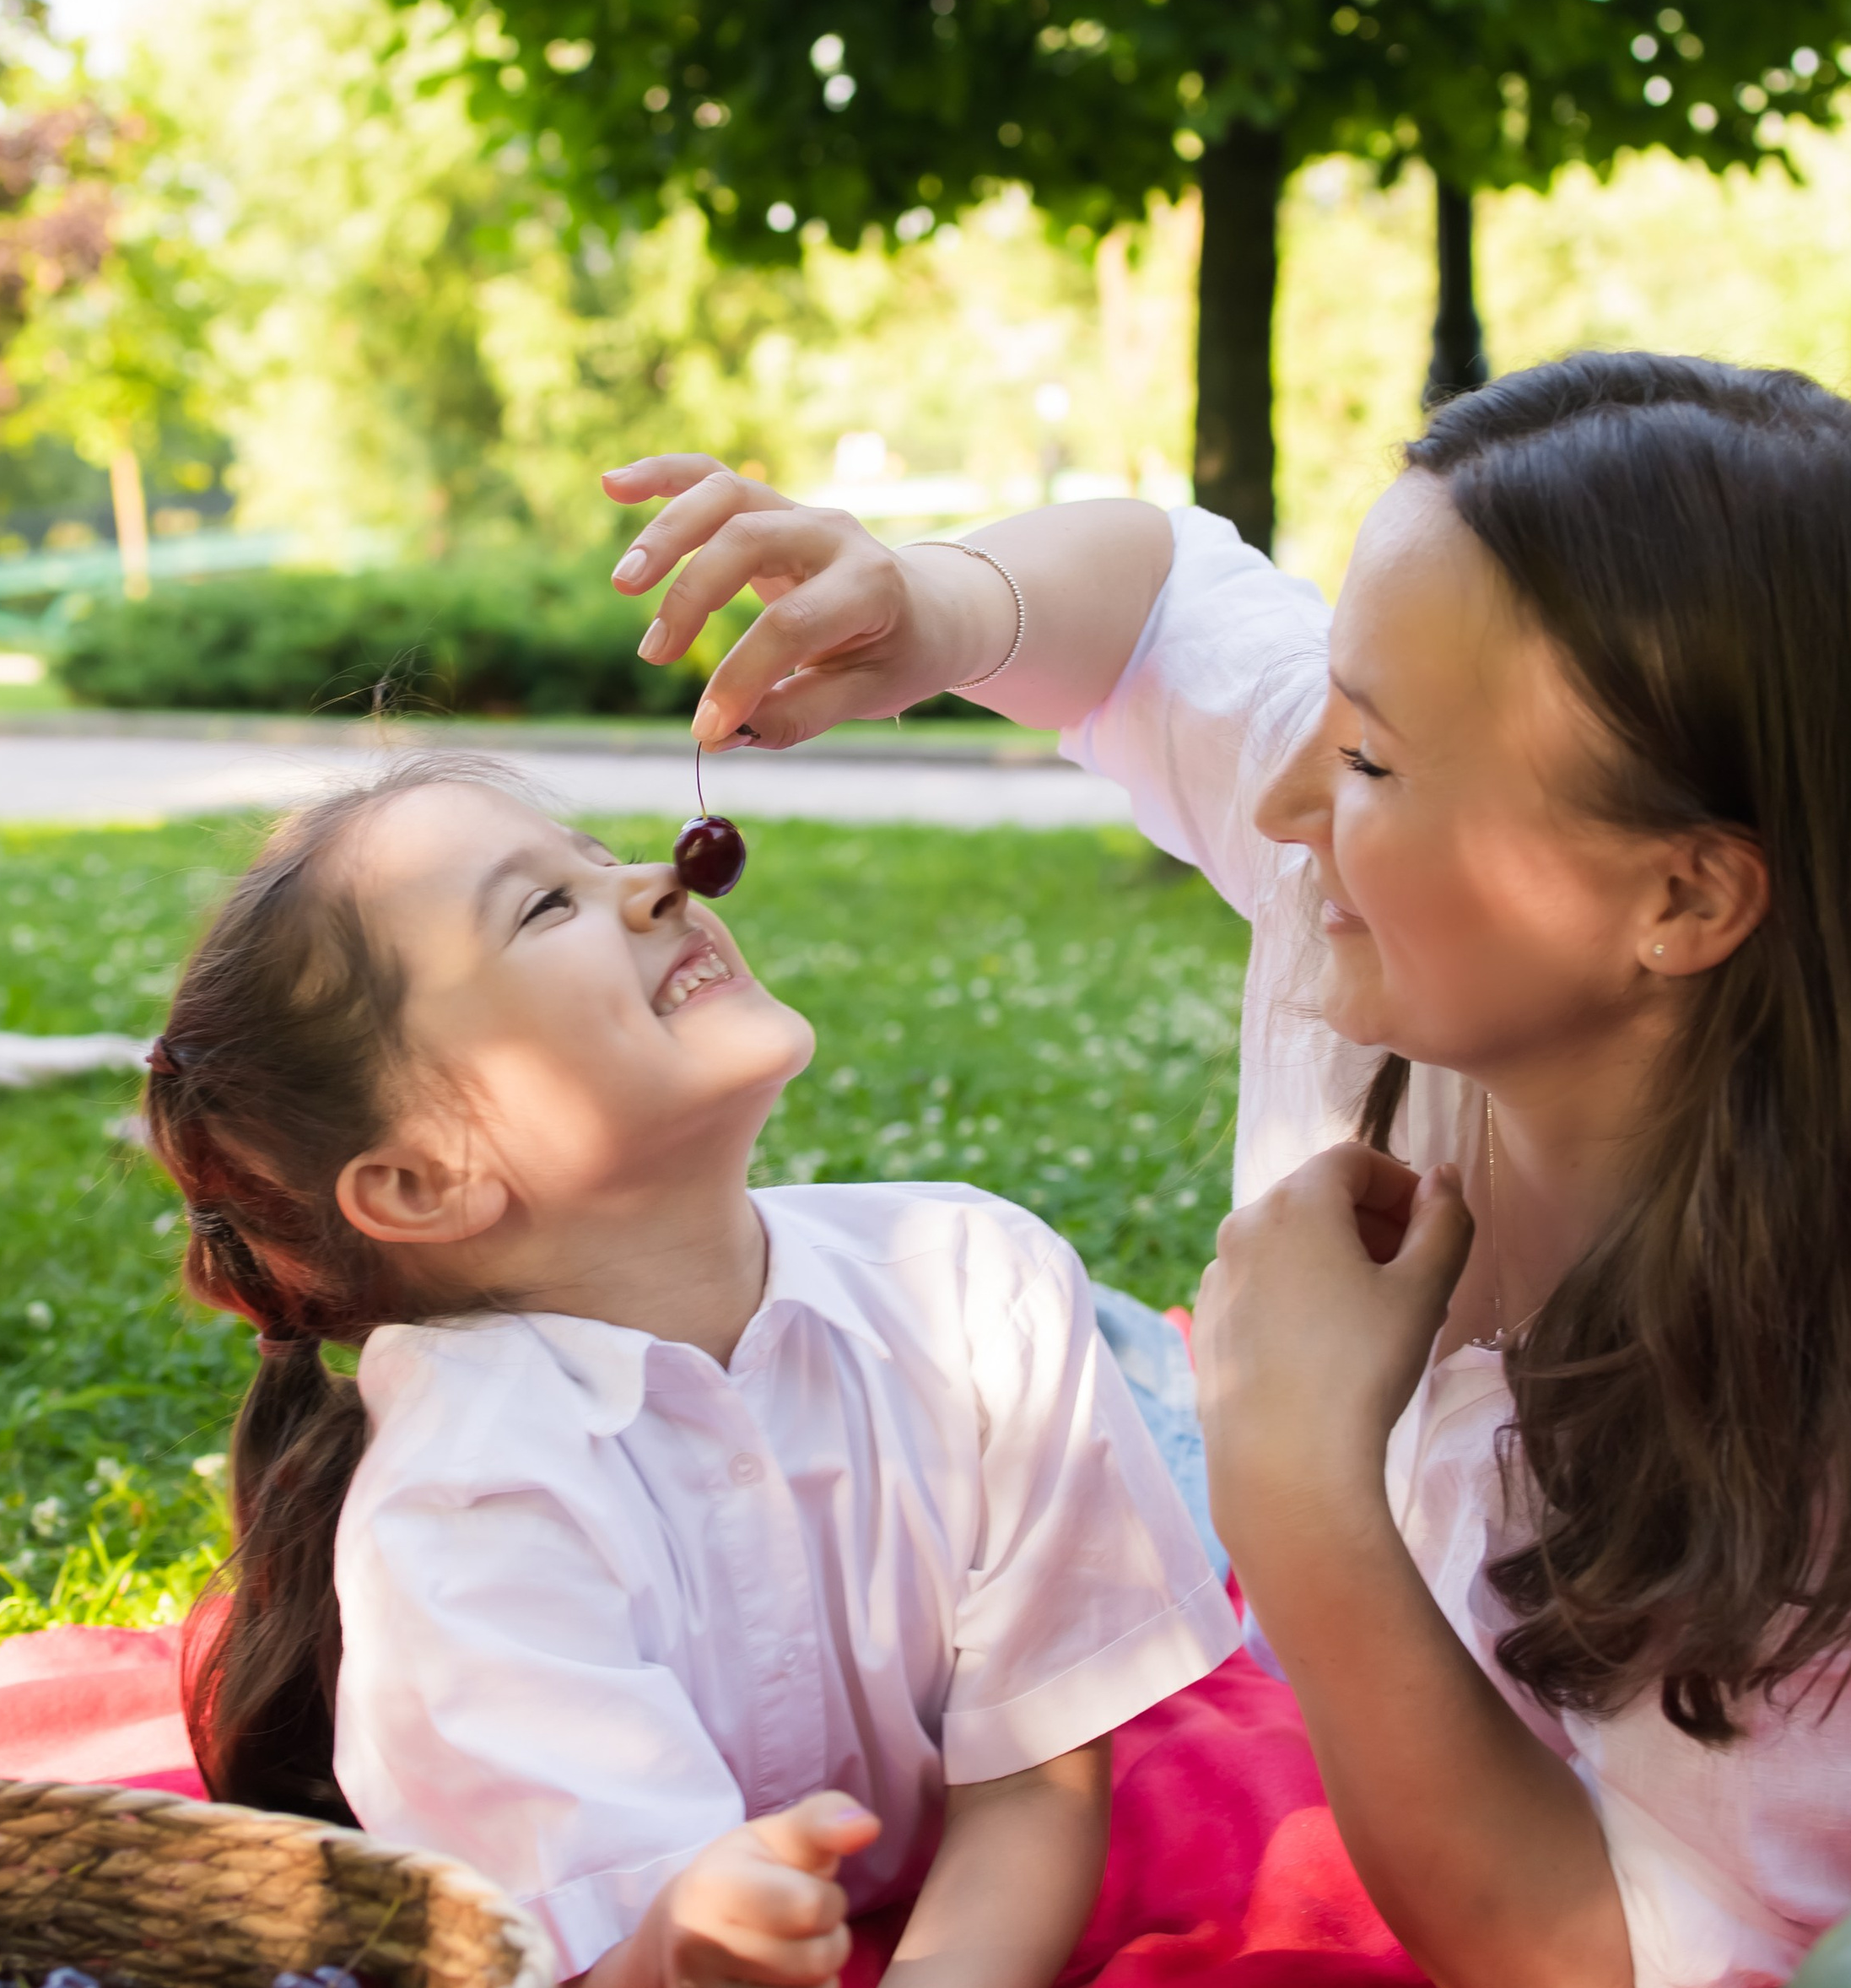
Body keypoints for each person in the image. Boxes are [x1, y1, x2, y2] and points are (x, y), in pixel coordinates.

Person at [605, 352, 1851, 1988]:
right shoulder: (1391, 879)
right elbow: (1153, 594)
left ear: (1679, 898)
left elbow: (1630, 1948)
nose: (1286, 796)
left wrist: (1294, 1487)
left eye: (1366, 759)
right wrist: (932, 605)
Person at [143, 755, 1238, 1988]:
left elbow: (1035, 1779)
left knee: (1204, 1452)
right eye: (544, 906)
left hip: (1098, 1362)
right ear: (422, 1180)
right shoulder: (466, 1514)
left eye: (603, 857)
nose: (662, 883)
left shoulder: (981, 1280)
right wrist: (673, 1951)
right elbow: (611, 1955)